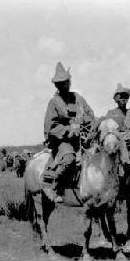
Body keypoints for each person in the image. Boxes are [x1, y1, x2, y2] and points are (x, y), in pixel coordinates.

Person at [43, 62, 95, 203]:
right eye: (60, 83)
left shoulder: (78, 98)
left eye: (65, 82)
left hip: (82, 137)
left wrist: (82, 122)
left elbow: (90, 115)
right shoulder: (54, 102)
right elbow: (50, 127)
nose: (64, 85)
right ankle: (53, 186)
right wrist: (68, 130)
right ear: (56, 85)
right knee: (69, 159)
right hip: (62, 141)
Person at [105, 83, 130, 238]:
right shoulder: (110, 113)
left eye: (125, 96)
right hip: (116, 149)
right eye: (120, 96)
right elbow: (107, 130)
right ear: (115, 98)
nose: (123, 98)